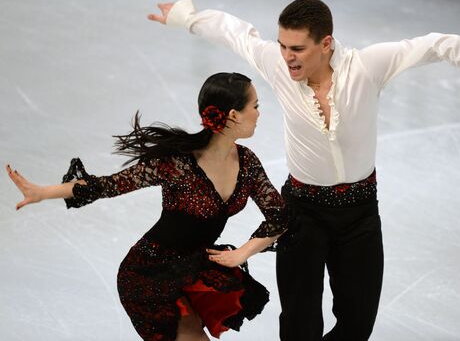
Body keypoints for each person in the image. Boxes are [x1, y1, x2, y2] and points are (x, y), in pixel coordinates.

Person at [147, 0, 460, 341]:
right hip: (301, 212)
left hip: (359, 214)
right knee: (300, 325)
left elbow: (439, 44)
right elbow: (235, 32)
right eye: (283, 45)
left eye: (298, 48)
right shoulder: (277, 64)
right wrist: (185, 17)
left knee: (357, 323)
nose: (287, 56)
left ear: (326, 44)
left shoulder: (368, 66)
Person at [5, 72, 288, 341]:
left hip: (191, 270)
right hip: (148, 275)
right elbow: (109, 185)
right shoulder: (178, 164)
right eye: (256, 105)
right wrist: (43, 192)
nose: (259, 113)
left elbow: (279, 216)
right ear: (234, 115)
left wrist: (243, 252)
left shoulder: (247, 162)